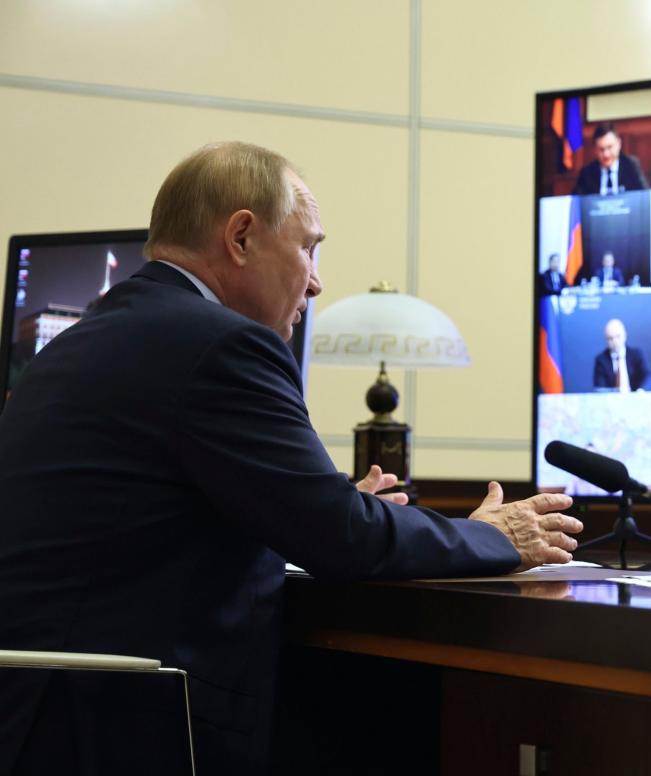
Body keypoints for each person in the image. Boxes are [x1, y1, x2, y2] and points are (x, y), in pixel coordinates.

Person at [0, 142, 583, 774]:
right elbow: (342, 538)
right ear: (242, 236)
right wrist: (490, 536)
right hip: (124, 725)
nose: (317, 279)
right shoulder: (221, 344)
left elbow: (159, 515)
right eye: (308, 246)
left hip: (43, 712)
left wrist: (318, 504)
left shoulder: (83, 337)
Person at [572, 123, 648, 196]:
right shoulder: (587, 173)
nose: (606, 154)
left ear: (619, 144)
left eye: (609, 147)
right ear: (595, 150)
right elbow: (577, 201)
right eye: (601, 149)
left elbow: (644, 195)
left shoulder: (631, 165)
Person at [592, 318, 651, 391]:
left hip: (636, 398)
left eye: (618, 336)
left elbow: (649, 377)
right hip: (611, 400)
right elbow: (600, 388)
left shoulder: (636, 354)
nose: (615, 341)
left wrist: (641, 391)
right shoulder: (601, 360)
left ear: (625, 335)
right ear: (606, 340)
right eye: (610, 338)